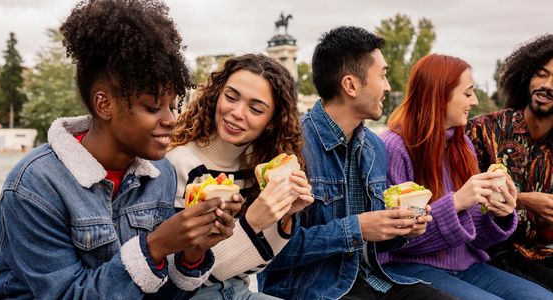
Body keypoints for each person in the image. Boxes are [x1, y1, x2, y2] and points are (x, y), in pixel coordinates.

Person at [0, 0, 238, 298]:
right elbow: (67, 295)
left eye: (173, 105)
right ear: (104, 105)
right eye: (154, 107)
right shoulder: (34, 186)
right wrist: (155, 246)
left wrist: (193, 251)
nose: (171, 120)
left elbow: (155, 292)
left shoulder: (162, 173)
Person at [258, 26, 452, 300]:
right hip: (312, 289)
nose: (388, 86)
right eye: (383, 76)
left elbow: (376, 242)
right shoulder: (290, 149)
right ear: (350, 85)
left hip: (375, 279)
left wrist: (403, 229)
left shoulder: (375, 147)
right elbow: (274, 253)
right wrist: (357, 228)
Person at [379, 53, 553, 299]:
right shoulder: (393, 148)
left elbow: (478, 239)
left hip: (467, 263)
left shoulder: (462, 145)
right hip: (410, 266)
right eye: (468, 93)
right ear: (440, 94)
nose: (475, 101)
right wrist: (457, 202)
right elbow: (398, 240)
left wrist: (500, 213)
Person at [167, 53, 314, 299]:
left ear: (272, 122)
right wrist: (253, 222)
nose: (237, 112)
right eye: (231, 97)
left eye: (255, 109)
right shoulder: (179, 163)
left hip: (239, 290)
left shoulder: (255, 169)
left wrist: (284, 217)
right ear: (216, 97)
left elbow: (253, 265)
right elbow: (187, 276)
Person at [467, 34, 553, 290]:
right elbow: (459, 197)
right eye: (541, 73)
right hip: (493, 253)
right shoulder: (484, 130)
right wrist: (524, 200)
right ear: (526, 76)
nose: (547, 84)